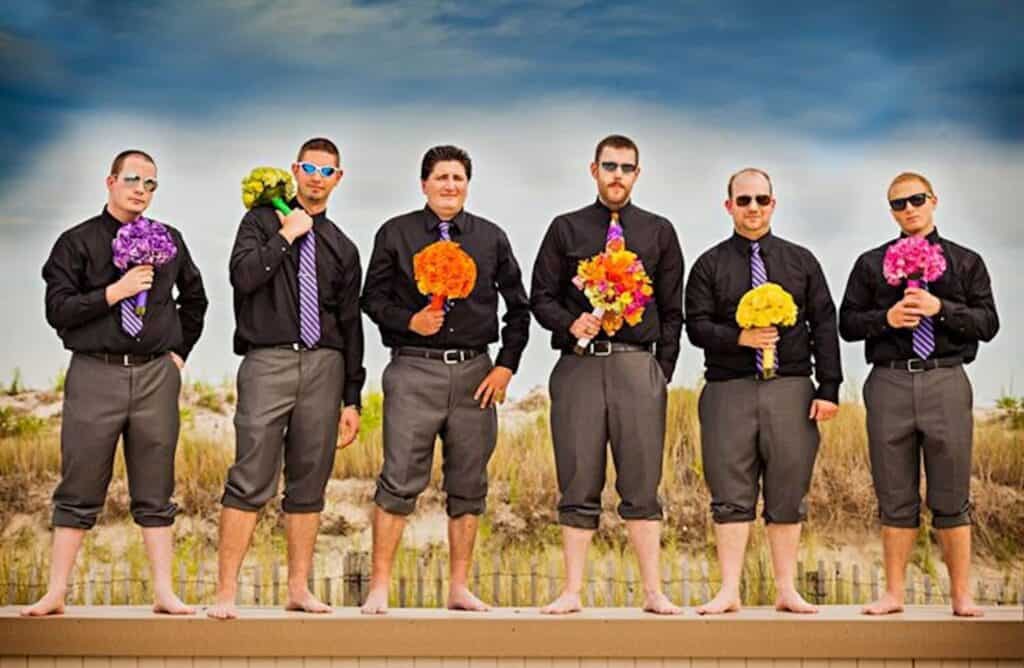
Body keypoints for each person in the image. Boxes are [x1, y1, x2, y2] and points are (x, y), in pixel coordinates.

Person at [27, 150, 208, 616]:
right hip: (94, 372)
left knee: (156, 483)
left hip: (154, 376)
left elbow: (195, 298)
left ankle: (165, 593)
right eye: (132, 179)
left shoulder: (170, 240)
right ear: (110, 181)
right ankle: (55, 593)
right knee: (80, 481)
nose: (141, 190)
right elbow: (58, 309)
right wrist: (116, 291)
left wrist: (176, 355)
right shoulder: (76, 242)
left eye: (151, 183)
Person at [359, 145, 530, 614]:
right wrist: (408, 322)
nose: (449, 185)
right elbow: (371, 300)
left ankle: (459, 588)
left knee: (469, 483)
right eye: (441, 178)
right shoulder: (395, 233)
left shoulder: (490, 238)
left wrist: (505, 365)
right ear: (424, 184)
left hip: (477, 373)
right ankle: (378, 587)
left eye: (457, 178)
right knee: (398, 480)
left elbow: (519, 307)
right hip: (413, 370)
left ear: (467, 184)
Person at [208, 137, 364, 619]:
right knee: (250, 476)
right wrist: (287, 235)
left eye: (327, 170)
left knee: (308, 482)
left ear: (338, 179)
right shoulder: (258, 221)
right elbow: (243, 278)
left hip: (325, 367)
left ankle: (298, 589)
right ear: (295, 171)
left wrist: (352, 397)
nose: (317, 177)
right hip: (267, 361)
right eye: (309, 168)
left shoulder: (343, 246)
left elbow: (350, 323)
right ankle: (225, 594)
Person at [531, 134, 684, 615]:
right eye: (609, 166)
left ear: (638, 174)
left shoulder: (659, 232)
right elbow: (540, 296)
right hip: (579, 365)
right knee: (578, 477)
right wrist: (568, 322)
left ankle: (654, 592)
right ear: (593, 169)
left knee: (641, 480)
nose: (617, 175)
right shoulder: (565, 229)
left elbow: (673, 309)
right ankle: (572, 591)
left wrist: (660, 372)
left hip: (638, 365)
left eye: (626, 167)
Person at [839, 171, 998, 617]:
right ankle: (893, 594)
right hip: (888, 380)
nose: (908, 208)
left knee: (951, 492)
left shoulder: (966, 262)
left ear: (934, 200)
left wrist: (940, 309)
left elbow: (988, 323)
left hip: (946, 379)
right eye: (898, 203)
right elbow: (847, 324)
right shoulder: (872, 264)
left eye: (916, 199)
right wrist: (885, 318)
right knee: (894, 493)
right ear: (890, 210)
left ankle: (961, 596)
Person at [685, 167, 841, 615]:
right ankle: (729, 590)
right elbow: (696, 325)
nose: (753, 208)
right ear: (728, 205)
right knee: (730, 492)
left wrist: (828, 387)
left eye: (761, 200)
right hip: (727, 390)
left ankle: (786, 589)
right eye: (744, 200)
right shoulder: (709, 264)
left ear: (773, 204)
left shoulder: (802, 261)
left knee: (787, 490)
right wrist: (739, 336)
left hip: (790, 389)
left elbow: (824, 324)